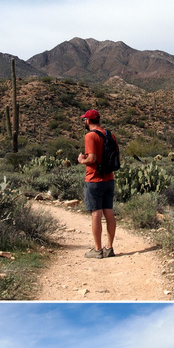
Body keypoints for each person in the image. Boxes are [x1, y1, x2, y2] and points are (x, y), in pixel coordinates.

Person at [77, 109, 117, 258]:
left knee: (96, 214)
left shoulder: (90, 136)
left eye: (84, 120)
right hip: (109, 178)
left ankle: (98, 249)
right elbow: (117, 156)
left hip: (94, 179)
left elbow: (92, 158)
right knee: (109, 212)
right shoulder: (110, 134)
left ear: (88, 121)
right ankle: (109, 247)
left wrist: (82, 160)